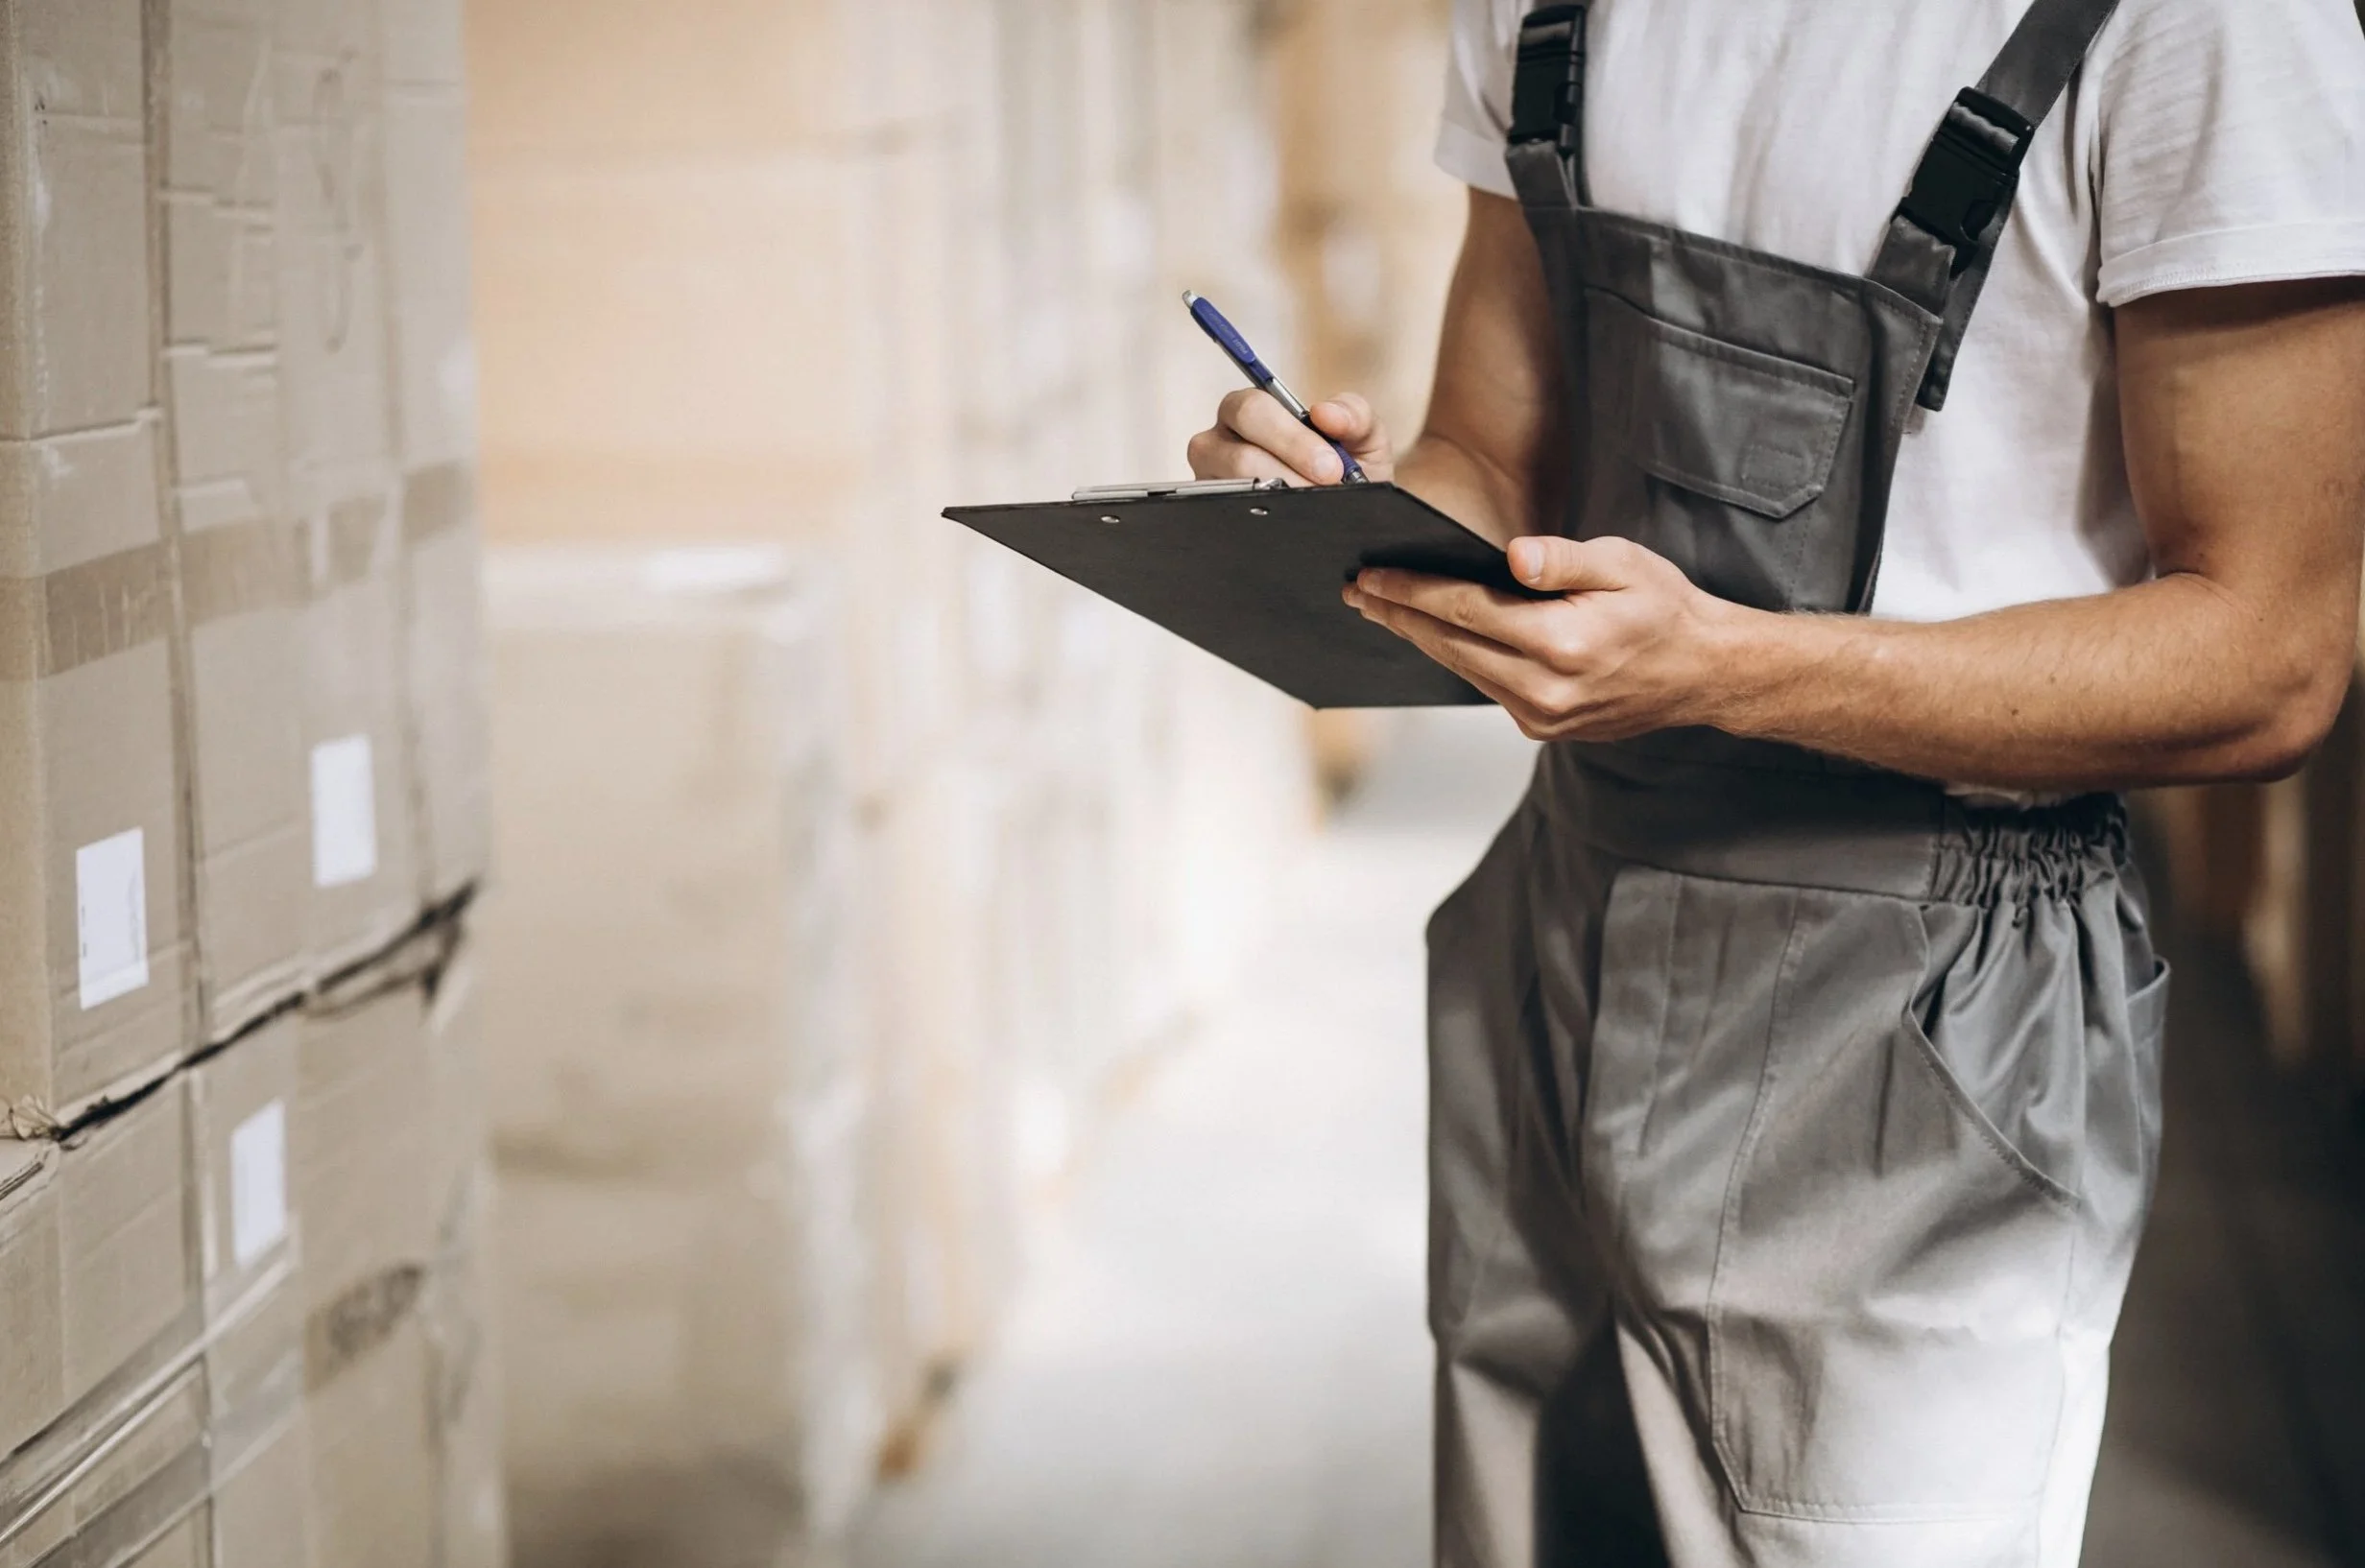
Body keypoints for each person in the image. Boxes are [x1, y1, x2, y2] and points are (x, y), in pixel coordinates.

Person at [1186, 2, 2365, 1564]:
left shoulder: (2207, 24)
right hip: (1569, 923)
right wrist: (1345, 516)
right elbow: (1491, 452)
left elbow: (2271, 650)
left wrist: (1727, 667)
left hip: (1927, 1003)